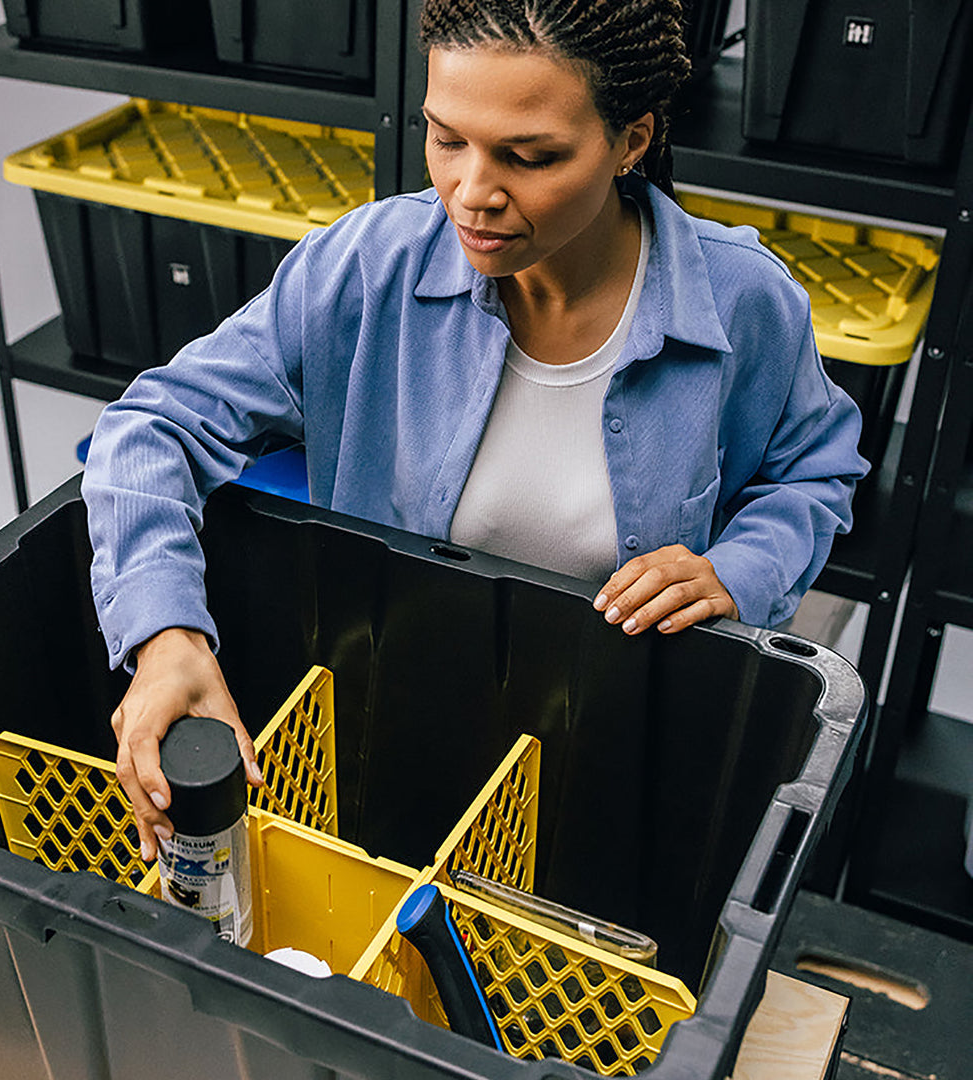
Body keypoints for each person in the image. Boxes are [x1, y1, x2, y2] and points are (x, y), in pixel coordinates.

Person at [82, 0, 869, 861]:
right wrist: (163, 636)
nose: (472, 192)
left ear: (633, 141)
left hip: (614, 746)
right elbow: (155, 423)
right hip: (392, 724)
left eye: (530, 157)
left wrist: (738, 570)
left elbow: (813, 472)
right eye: (446, 138)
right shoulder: (366, 267)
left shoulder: (742, 303)